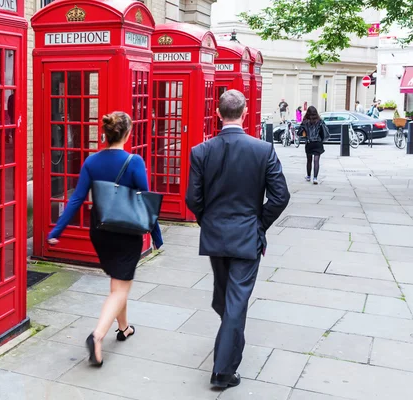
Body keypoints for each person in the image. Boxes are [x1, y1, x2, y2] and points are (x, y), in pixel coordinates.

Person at [186, 90, 290, 390]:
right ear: (244, 113)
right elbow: (280, 196)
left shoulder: (201, 151)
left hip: (217, 236)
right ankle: (222, 372)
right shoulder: (263, 150)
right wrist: (260, 224)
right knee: (232, 301)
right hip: (247, 237)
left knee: (226, 298)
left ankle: (228, 346)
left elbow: (193, 199)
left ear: (218, 114)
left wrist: (208, 220)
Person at [47, 111, 163, 367]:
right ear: (128, 134)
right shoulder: (134, 161)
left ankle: (123, 328)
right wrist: (157, 235)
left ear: (106, 135)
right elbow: (145, 201)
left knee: (118, 284)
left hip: (100, 231)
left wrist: (57, 231)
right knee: (121, 287)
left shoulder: (92, 162)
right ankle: (97, 336)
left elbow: (76, 199)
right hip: (126, 232)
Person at [297, 106, 328, 185]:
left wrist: (304, 132)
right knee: (316, 160)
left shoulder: (305, 121)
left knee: (309, 160)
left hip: (309, 142)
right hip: (318, 142)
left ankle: (308, 176)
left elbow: (299, 132)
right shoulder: (320, 121)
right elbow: (323, 132)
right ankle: (315, 178)